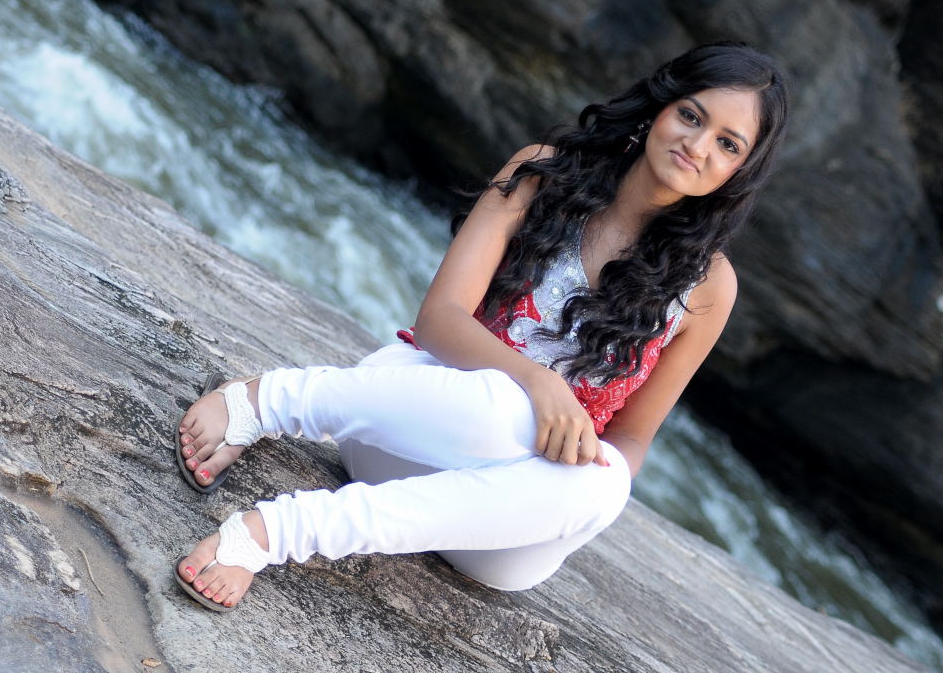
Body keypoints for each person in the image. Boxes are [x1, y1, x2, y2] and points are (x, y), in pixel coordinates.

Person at [171, 41, 789, 611]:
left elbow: (632, 437)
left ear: (740, 170)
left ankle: (289, 504)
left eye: (728, 145)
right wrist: (540, 386)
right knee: (505, 403)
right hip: (410, 426)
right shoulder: (545, 172)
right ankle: (271, 475)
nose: (698, 146)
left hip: (498, 521)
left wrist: (585, 461)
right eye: (691, 116)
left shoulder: (709, 286)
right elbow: (439, 320)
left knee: (607, 485)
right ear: (661, 107)